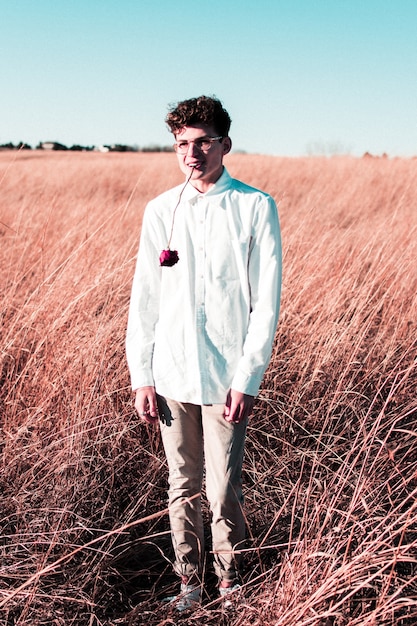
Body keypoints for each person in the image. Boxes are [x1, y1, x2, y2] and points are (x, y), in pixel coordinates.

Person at [126, 95, 282, 610]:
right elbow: (144, 298)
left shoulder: (255, 207)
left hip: (226, 378)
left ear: (225, 144)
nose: (192, 154)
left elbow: (266, 303)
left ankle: (232, 585)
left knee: (222, 490)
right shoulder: (159, 212)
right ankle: (189, 586)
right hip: (170, 374)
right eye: (181, 145)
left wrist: (248, 377)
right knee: (182, 487)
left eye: (202, 142)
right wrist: (141, 376)